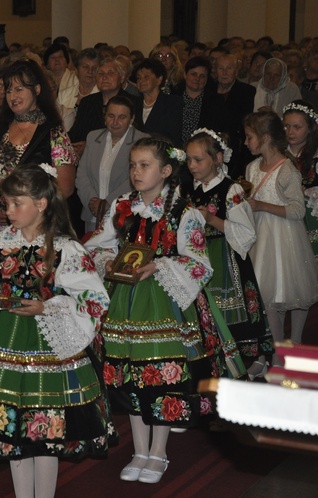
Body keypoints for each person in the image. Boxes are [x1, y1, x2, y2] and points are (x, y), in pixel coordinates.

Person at [0, 164, 114, 498]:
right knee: (11, 432)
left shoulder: (66, 250)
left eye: (17, 204)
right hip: (1, 343)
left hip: (46, 346)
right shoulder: (0, 242)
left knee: (44, 431)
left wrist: (47, 306)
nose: (8, 211)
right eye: (6, 204)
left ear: (41, 204)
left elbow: (93, 298)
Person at [84, 137, 239, 484]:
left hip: (162, 303)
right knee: (129, 374)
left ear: (166, 171)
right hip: (124, 299)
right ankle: (139, 449)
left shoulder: (183, 213)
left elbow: (199, 262)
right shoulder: (123, 206)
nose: (136, 172)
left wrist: (160, 267)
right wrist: (110, 260)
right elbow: (99, 243)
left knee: (160, 374)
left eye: (145, 165)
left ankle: (159, 451)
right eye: (133, 165)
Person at [181, 128, 273, 378]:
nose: (192, 165)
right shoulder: (188, 190)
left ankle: (252, 360)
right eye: (188, 159)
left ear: (218, 159)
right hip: (199, 258)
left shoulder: (231, 190)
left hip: (226, 259)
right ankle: (219, 363)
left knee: (233, 313)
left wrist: (211, 219)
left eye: (198, 159)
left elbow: (246, 232)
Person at [0, 59, 76, 248]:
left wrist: (27, 211)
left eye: (19, 89)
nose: (13, 96)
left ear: (37, 90)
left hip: (36, 228)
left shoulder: (53, 132)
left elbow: (66, 188)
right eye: (9, 90)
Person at [244, 110, 318, 351]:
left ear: (265, 138)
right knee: (268, 298)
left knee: (295, 291)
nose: (246, 143)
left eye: (249, 137)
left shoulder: (287, 169)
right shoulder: (252, 168)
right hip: (261, 240)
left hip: (285, 238)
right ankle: (279, 349)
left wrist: (262, 205)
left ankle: (294, 341)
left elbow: (297, 210)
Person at [76, 95, 149, 233]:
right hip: (92, 215)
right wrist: (93, 202)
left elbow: (136, 178)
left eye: (122, 117)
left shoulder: (142, 141)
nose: (115, 122)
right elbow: (82, 175)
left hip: (125, 215)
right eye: (111, 116)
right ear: (104, 117)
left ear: (131, 119)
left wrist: (107, 204)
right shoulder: (93, 137)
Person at [69, 58, 136, 157]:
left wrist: (90, 146)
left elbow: (132, 137)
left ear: (122, 78)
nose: (105, 77)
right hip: (85, 158)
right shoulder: (87, 102)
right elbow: (76, 132)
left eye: (110, 73)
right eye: (100, 74)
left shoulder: (133, 102)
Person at [283, 100, 318, 260]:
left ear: (311, 128)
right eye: (286, 126)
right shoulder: (278, 155)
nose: (290, 131)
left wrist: (310, 192)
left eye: (297, 127)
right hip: (284, 219)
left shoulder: (315, 158)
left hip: (311, 219)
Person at [132, 58, 183, 146]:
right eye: (138, 77)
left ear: (159, 79)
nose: (141, 81)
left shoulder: (173, 103)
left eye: (146, 77)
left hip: (162, 153)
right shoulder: (133, 103)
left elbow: (174, 137)